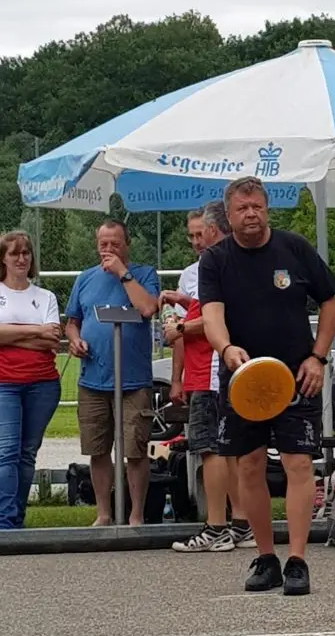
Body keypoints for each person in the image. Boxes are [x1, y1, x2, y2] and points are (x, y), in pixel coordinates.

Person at [199, 177, 335, 596]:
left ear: (266, 209)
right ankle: (266, 558)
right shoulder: (215, 260)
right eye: (242, 208)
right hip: (243, 378)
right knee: (249, 465)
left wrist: (318, 357)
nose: (251, 214)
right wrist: (226, 348)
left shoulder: (293, 248)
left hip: (296, 376)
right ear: (229, 215)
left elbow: (330, 301)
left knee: (299, 464)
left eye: (257, 207)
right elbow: (211, 315)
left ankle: (297, 560)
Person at [161, 205, 255, 552]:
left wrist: (181, 326)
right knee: (227, 450)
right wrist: (185, 305)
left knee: (210, 450)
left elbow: (217, 316)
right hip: (213, 368)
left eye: (201, 233)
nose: (197, 241)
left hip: (213, 369)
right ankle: (241, 523)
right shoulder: (228, 263)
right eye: (192, 235)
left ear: (215, 229)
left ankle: (216, 526)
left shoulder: (219, 264)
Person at [64, 219, 160, 527]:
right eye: (103, 244)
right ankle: (103, 513)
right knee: (97, 449)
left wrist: (122, 273)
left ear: (126, 245)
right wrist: (74, 339)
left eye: (114, 244)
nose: (108, 250)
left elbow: (148, 308)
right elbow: (72, 321)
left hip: (133, 379)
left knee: (135, 449)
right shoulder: (85, 278)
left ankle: (136, 514)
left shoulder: (144, 274)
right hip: (94, 377)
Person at [0, 231, 62, 529]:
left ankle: (17, 517)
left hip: (42, 383)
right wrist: (36, 331)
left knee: (27, 454)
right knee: (6, 452)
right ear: (3, 258)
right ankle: (5, 522)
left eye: (26, 252)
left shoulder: (46, 297)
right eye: (14, 253)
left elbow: (52, 340)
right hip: (4, 383)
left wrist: (10, 335)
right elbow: (43, 334)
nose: (21, 258)